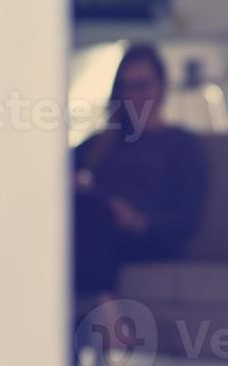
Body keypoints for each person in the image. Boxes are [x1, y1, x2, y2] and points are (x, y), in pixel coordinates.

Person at [72, 43, 209, 300]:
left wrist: (137, 221)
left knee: (93, 222)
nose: (132, 95)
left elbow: (187, 216)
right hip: (95, 221)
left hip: (147, 236)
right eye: (125, 87)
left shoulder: (181, 144)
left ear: (161, 87)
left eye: (141, 86)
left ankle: (105, 310)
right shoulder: (103, 142)